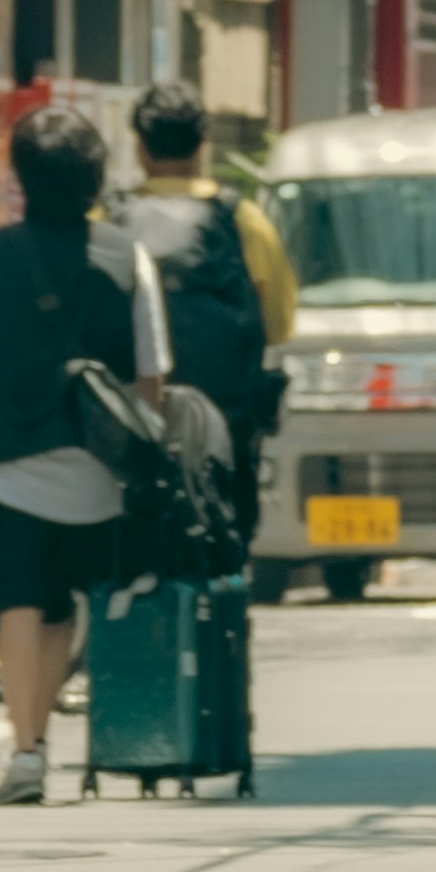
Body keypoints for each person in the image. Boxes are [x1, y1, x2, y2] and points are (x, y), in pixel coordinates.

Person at [0, 102, 169, 809]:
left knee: (18, 604)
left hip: (10, 465)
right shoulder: (127, 254)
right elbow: (152, 371)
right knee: (59, 610)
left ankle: (27, 750)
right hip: (99, 474)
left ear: (24, 177)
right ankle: (38, 739)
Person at [118, 80, 295, 534]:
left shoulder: (109, 223)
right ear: (202, 145)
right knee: (227, 538)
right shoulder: (242, 220)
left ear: (139, 147)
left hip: (127, 428)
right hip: (225, 430)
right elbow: (279, 323)